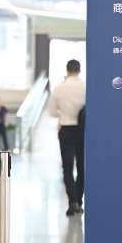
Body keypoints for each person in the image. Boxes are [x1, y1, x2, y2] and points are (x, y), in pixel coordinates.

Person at [48, 59, 86, 216]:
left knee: (67, 168)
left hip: (66, 130)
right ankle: (79, 199)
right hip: (83, 130)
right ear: (79, 70)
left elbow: (51, 112)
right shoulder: (85, 87)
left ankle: (72, 202)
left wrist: (64, 113)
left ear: (67, 69)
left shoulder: (59, 88)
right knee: (82, 167)